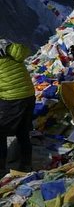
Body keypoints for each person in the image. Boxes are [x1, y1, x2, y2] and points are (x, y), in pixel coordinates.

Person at [0, 38, 36, 176]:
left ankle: (1, 170)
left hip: (13, 97)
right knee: (22, 131)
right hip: (28, 94)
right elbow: (23, 51)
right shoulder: (5, 48)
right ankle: (25, 165)